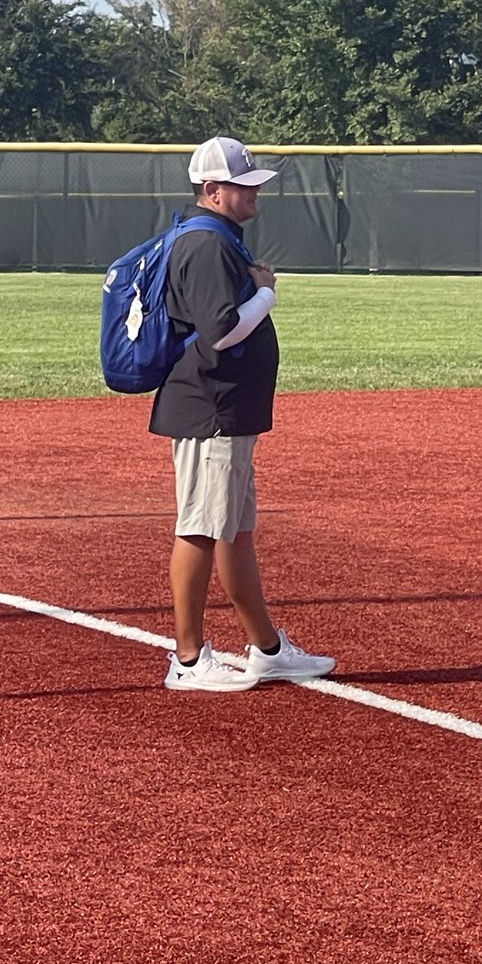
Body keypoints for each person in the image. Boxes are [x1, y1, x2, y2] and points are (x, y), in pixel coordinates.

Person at [150, 135, 336, 692]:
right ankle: (187, 659)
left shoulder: (216, 237)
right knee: (202, 529)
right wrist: (266, 293)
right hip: (211, 408)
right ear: (213, 190)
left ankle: (267, 648)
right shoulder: (206, 244)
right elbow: (222, 329)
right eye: (243, 185)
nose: (255, 194)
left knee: (233, 531)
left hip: (225, 409)